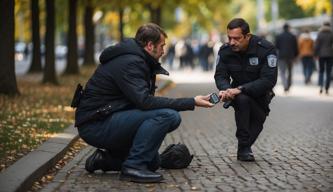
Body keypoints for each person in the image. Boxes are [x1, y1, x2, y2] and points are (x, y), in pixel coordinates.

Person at [74, 23, 214, 183]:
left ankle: (103, 160)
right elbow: (145, 102)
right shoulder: (130, 62)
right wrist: (191, 101)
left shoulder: (138, 59)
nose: (163, 50)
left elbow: (140, 102)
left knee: (153, 162)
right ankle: (133, 167)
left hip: (107, 118)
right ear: (149, 45)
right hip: (96, 124)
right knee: (169, 116)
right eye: (161, 46)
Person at [214, 18, 277, 161]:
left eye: (236, 38)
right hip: (238, 97)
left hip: (260, 97)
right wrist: (227, 90)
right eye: (229, 38)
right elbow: (220, 76)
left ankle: (244, 147)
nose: (232, 42)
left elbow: (269, 80)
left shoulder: (266, 49)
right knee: (242, 101)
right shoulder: (225, 51)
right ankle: (243, 148)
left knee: (258, 123)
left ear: (247, 36)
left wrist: (241, 89)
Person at [275, 23, 298, 93]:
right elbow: (296, 47)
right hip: (291, 56)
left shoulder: (279, 36)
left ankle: (285, 86)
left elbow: (276, 46)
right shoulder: (293, 36)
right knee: (290, 72)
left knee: (282, 72)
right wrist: (296, 56)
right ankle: (289, 85)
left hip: (281, 56)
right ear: (288, 28)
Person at [315, 21, 333, 94]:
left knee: (321, 71)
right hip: (330, 55)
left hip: (321, 55)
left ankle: (321, 86)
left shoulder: (320, 34)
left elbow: (317, 45)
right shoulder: (331, 33)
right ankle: (327, 88)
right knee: (328, 72)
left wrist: (315, 54)